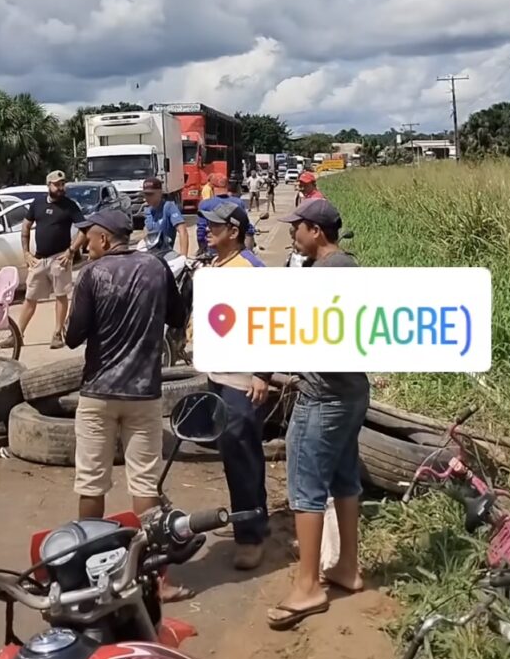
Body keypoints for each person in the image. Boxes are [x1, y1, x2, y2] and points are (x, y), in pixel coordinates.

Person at [65, 210, 191, 602]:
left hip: (98, 394)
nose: (86, 245)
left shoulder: (93, 274)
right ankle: (158, 582)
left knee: (91, 483)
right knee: (145, 485)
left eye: (89, 238)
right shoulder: (156, 268)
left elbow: (72, 337)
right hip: (144, 394)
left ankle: (88, 578)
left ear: (104, 239)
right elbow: (178, 316)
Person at [263, 199, 368, 632]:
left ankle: (308, 585)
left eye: (298, 227)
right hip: (353, 391)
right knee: (344, 478)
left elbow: (305, 333)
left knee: (306, 487)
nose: (293, 234)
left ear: (317, 231)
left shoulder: (320, 275)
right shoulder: (351, 266)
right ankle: (347, 566)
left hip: (322, 395)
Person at [198, 201, 271, 571]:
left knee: (242, 454)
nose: (206, 230)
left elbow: (273, 322)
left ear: (234, 231)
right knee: (233, 453)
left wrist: (263, 373)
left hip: (242, 381)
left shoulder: (251, 270)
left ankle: (251, 536)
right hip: (219, 375)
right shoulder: (216, 265)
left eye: (215, 226)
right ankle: (252, 520)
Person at [14, 170, 87, 349]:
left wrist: (71, 251)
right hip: (39, 259)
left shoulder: (70, 206)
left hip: (59, 259)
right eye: (57, 184)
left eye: (62, 184)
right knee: (30, 297)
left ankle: (57, 334)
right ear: (48, 185)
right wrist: (26, 253)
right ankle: (16, 335)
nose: (60, 188)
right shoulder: (37, 204)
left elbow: (84, 230)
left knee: (61, 296)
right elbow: (26, 227)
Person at [196, 174, 255, 255]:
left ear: (211, 186)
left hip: (214, 249)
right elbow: (247, 228)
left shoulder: (205, 204)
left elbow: (201, 230)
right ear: (227, 185)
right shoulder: (239, 202)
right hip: (235, 248)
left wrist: (202, 249)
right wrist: (248, 252)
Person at [142, 177, 189, 256]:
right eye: (145, 194)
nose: (147, 197)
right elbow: (146, 233)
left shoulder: (169, 207)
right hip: (151, 255)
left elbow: (183, 231)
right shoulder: (147, 210)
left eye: (151, 194)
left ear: (160, 193)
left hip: (165, 254)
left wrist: (183, 257)